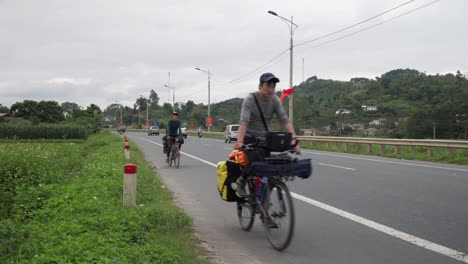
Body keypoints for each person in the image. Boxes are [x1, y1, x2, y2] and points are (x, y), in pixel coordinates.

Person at [234, 72, 301, 197]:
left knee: (270, 164)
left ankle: (263, 201)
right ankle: (241, 180)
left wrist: (293, 140)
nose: (271, 89)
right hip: (250, 138)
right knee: (257, 157)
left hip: (265, 138)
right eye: (268, 86)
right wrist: (240, 141)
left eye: (273, 87)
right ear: (260, 85)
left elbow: (284, 119)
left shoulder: (275, 99)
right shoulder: (250, 99)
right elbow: (244, 122)